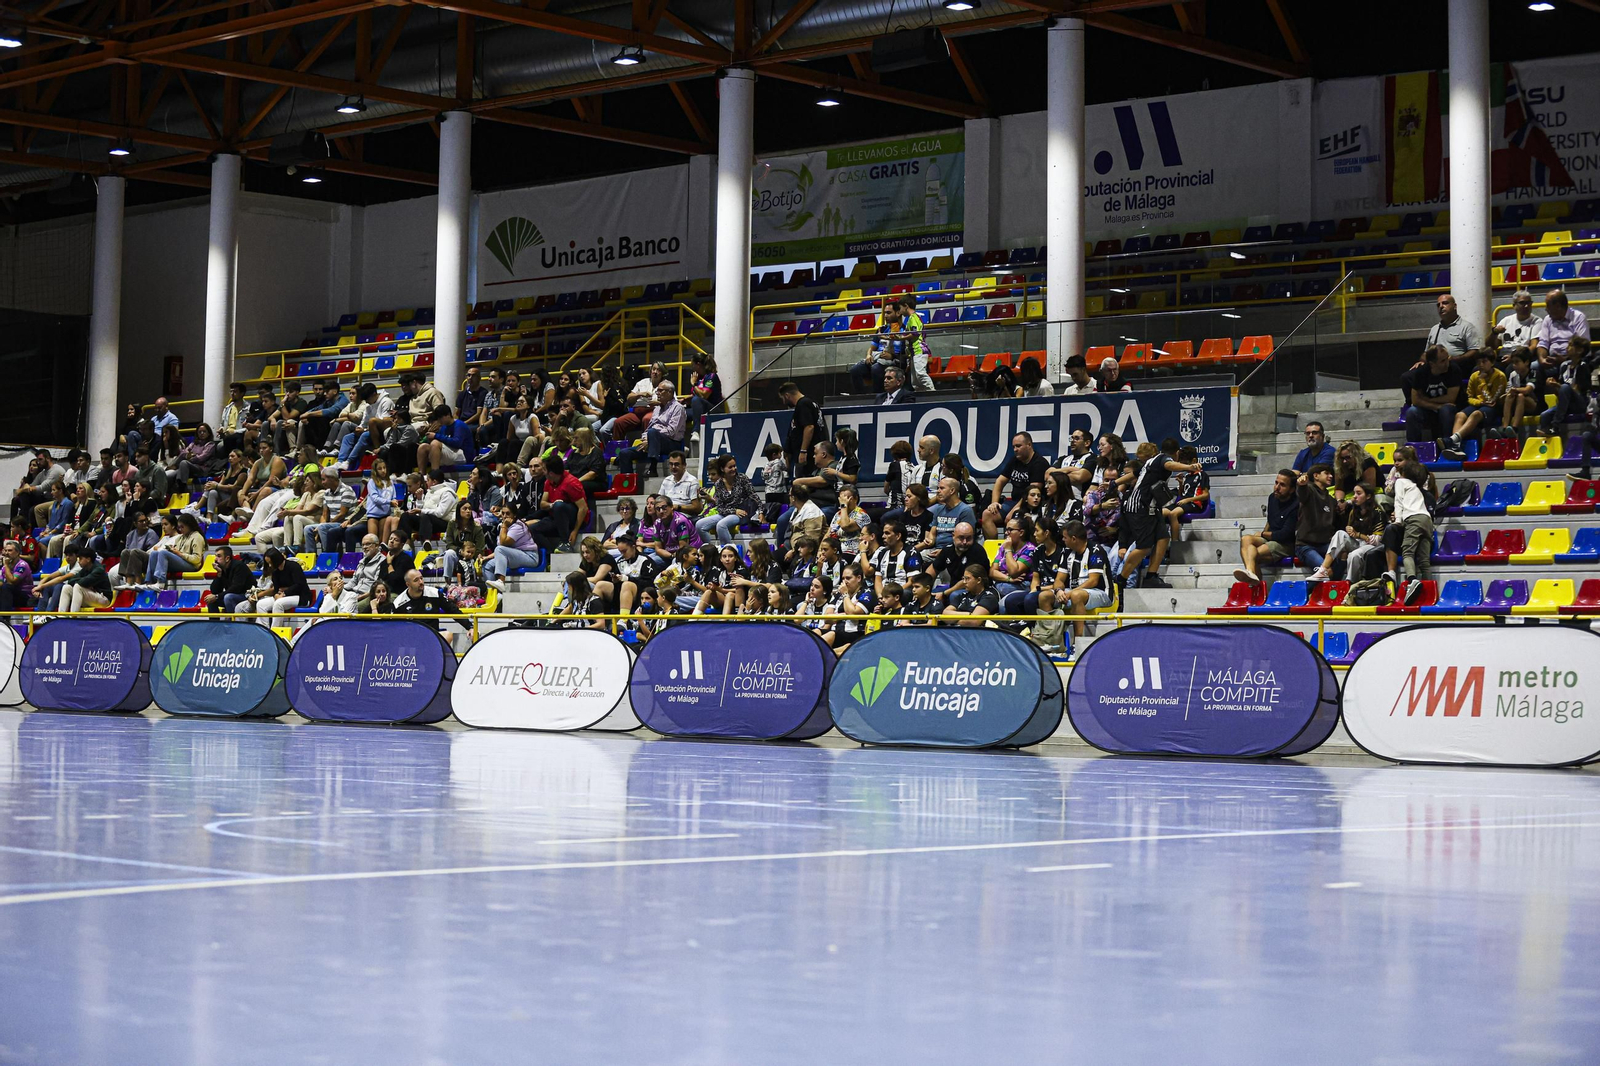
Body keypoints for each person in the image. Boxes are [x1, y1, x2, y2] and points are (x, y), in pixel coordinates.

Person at [1113, 437, 1201, 590]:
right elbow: (1169, 464)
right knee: (1144, 548)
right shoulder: (1163, 459)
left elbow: (1134, 474)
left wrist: (1114, 483)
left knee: (1163, 538)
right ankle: (1120, 580)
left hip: (1153, 508)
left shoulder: (1151, 461)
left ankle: (1151, 576)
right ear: (1177, 452)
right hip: (1140, 507)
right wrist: (1189, 467)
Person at [1233, 469, 1299, 586]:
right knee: (1246, 539)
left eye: (1282, 485)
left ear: (1292, 489)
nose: (1277, 487)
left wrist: (1263, 535)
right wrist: (1263, 534)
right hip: (1271, 537)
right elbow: (1270, 521)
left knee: (1254, 553)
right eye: (1276, 483)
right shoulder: (1272, 498)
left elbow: (1285, 534)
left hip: (1286, 544)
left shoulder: (1296, 504)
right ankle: (1250, 573)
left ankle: (1256, 584)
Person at [1310, 482, 1385, 583]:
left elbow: (1377, 541)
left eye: (1359, 493)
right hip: (1357, 542)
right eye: (1354, 493)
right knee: (1340, 533)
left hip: (1372, 546)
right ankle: (1323, 569)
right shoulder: (1354, 511)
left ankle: (1350, 583)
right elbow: (1350, 532)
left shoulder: (1377, 512)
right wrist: (1349, 531)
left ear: (1368, 496)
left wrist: (1358, 535)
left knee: (1354, 555)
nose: (1354, 496)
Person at [1438, 349, 1507, 458]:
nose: (1481, 365)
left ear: (1492, 362)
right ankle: (1456, 445)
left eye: (1484, 362)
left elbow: (1492, 400)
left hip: (1493, 408)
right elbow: (1469, 397)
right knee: (1459, 415)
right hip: (1479, 404)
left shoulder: (1500, 376)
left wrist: (1482, 382)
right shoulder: (1474, 376)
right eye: (1479, 362)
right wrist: (1479, 402)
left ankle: (1452, 440)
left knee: (1476, 414)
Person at [981, 432, 1050, 538]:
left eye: (1018, 446)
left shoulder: (1039, 463)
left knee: (1013, 520)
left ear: (1029, 445)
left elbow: (1031, 493)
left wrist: (1013, 512)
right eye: (1013, 447)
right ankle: (995, 550)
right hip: (1013, 502)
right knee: (987, 514)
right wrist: (994, 502)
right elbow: (1000, 481)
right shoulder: (1015, 460)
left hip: (1030, 505)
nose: (1015, 449)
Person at [617, 383, 687, 479]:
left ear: (670, 392)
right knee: (624, 453)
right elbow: (649, 428)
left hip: (671, 443)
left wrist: (651, 439)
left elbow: (671, 431)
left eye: (660, 390)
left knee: (653, 432)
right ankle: (628, 484)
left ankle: (653, 469)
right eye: (657, 390)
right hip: (653, 442)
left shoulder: (678, 408)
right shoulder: (657, 409)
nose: (657, 393)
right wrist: (646, 438)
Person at [1057, 520, 1113, 640]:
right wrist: (1058, 591)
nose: (1063, 540)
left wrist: (1070, 593)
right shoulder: (1066, 552)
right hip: (1074, 591)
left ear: (1073, 539)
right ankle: (1052, 639)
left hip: (1101, 593)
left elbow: (1093, 581)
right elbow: (1059, 580)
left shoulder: (1096, 551)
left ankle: (1078, 643)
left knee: (1077, 595)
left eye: (1065, 537)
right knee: (1044, 596)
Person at [1390, 457, 1434, 603]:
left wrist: (1397, 520)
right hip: (1427, 520)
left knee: (1407, 552)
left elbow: (1399, 502)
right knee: (1424, 560)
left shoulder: (1401, 482)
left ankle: (1412, 580)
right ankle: (1429, 591)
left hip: (1414, 519)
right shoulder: (1417, 487)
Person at [1401, 345, 1463, 444]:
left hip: (1449, 409)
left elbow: (1450, 398)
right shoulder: (1420, 373)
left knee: (1446, 409)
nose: (1447, 363)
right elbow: (1415, 400)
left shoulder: (1454, 369)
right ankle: (1413, 448)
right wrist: (1437, 406)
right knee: (1412, 412)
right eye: (1442, 361)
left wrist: (1426, 399)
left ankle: (1448, 444)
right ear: (1432, 364)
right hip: (1428, 410)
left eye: (1447, 358)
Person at [698, 453, 759, 545]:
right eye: (730, 467)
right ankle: (710, 551)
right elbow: (720, 507)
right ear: (722, 469)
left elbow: (754, 496)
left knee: (721, 525)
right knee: (699, 525)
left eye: (734, 466)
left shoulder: (742, 478)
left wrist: (761, 512)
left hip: (741, 513)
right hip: (727, 512)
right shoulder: (718, 484)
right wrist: (734, 510)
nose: (734, 469)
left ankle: (728, 552)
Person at [236, 547, 311, 619]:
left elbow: (299, 585)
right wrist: (276, 595)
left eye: (270, 562)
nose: (269, 565)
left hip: (301, 596)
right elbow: (276, 588)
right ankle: (264, 628)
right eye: (268, 563)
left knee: (278, 603)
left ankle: (275, 629)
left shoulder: (294, 566)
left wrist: (284, 593)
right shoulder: (275, 571)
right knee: (261, 604)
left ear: (276, 560)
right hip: (282, 596)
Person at [1291, 464, 1338, 572]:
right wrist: (1301, 485)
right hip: (1305, 545)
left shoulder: (1331, 500)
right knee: (1325, 571)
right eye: (1326, 473)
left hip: (1324, 544)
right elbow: (1302, 494)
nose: (1330, 476)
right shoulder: (1309, 490)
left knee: (1344, 556)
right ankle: (1306, 589)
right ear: (1316, 476)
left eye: (1331, 474)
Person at [142, 512, 205, 590]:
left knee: (163, 553)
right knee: (154, 553)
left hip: (191, 565)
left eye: (182, 527)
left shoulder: (197, 537)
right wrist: (172, 550)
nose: (180, 529)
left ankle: (160, 583)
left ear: (189, 525)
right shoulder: (181, 537)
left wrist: (180, 554)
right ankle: (149, 582)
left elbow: (196, 559)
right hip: (181, 561)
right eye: (179, 527)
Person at [1534, 288, 1589, 371]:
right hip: (1551, 359)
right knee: (1534, 367)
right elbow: (1543, 343)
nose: (1546, 309)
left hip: (1573, 360)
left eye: (1548, 305)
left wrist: (1565, 359)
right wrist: (1542, 359)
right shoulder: (1547, 319)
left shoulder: (1578, 317)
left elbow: (1583, 345)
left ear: (1558, 306)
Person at [1424, 292, 1481, 366]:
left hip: (1457, 365)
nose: (1441, 306)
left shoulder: (1466, 327)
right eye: (1438, 305)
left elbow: (1474, 350)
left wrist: (1457, 359)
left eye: (1445, 303)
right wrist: (1422, 361)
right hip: (1435, 367)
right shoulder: (1434, 329)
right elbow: (1426, 352)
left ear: (1454, 306)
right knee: (1409, 375)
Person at [416, 404, 473, 478]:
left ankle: (435, 476)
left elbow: (457, 443)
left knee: (435, 443)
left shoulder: (459, 425)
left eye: (441, 418)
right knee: (423, 447)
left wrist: (436, 436)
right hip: (450, 452)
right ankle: (421, 476)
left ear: (448, 415)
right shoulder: (443, 427)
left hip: (462, 454)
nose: (439, 420)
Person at [779, 382, 822, 478]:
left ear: (787, 395)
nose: (783, 402)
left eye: (782, 398)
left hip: (808, 454)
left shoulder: (803, 404)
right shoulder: (811, 403)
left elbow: (809, 427)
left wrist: (803, 451)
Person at [58, 542, 113, 613]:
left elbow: (82, 582)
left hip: (104, 599)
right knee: (66, 587)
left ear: (88, 559)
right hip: (93, 595)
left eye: (80, 559)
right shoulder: (85, 569)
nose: (79, 561)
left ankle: (73, 617)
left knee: (78, 586)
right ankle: (61, 616)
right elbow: (70, 580)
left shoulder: (98, 570)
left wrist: (84, 581)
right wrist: (85, 582)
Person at [203, 545, 254, 613]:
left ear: (227, 558)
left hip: (247, 596)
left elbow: (236, 588)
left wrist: (217, 596)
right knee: (210, 599)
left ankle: (231, 622)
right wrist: (219, 574)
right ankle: (214, 623)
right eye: (215, 556)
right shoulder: (222, 569)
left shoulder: (239, 566)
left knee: (228, 597)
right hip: (233, 596)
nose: (215, 559)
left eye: (219, 556)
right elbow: (214, 591)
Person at [1491, 289, 1541, 354]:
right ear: (1514, 306)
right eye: (1522, 303)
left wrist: (1513, 358)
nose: (1526, 306)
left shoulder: (1537, 321)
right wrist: (1494, 332)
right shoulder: (1506, 320)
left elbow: (1534, 346)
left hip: (1523, 358)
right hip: (1505, 355)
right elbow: (1491, 346)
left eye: (1529, 303)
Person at [659, 450, 703, 517]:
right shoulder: (666, 480)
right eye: (671, 464)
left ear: (684, 465)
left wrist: (678, 507)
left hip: (683, 516)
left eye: (676, 464)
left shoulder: (692, 481)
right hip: (666, 514)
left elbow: (697, 508)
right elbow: (659, 500)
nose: (673, 467)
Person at [0, 538, 33, 613]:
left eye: (10, 550)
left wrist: (6, 565)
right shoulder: (5, 567)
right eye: (6, 550)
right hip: (10, 594)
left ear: (18, 552)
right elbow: (1, 582)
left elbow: (12, 582)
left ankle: (4, 619)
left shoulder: (22, 565)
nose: (7, 553)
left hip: (24, 596)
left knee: (6, 587)